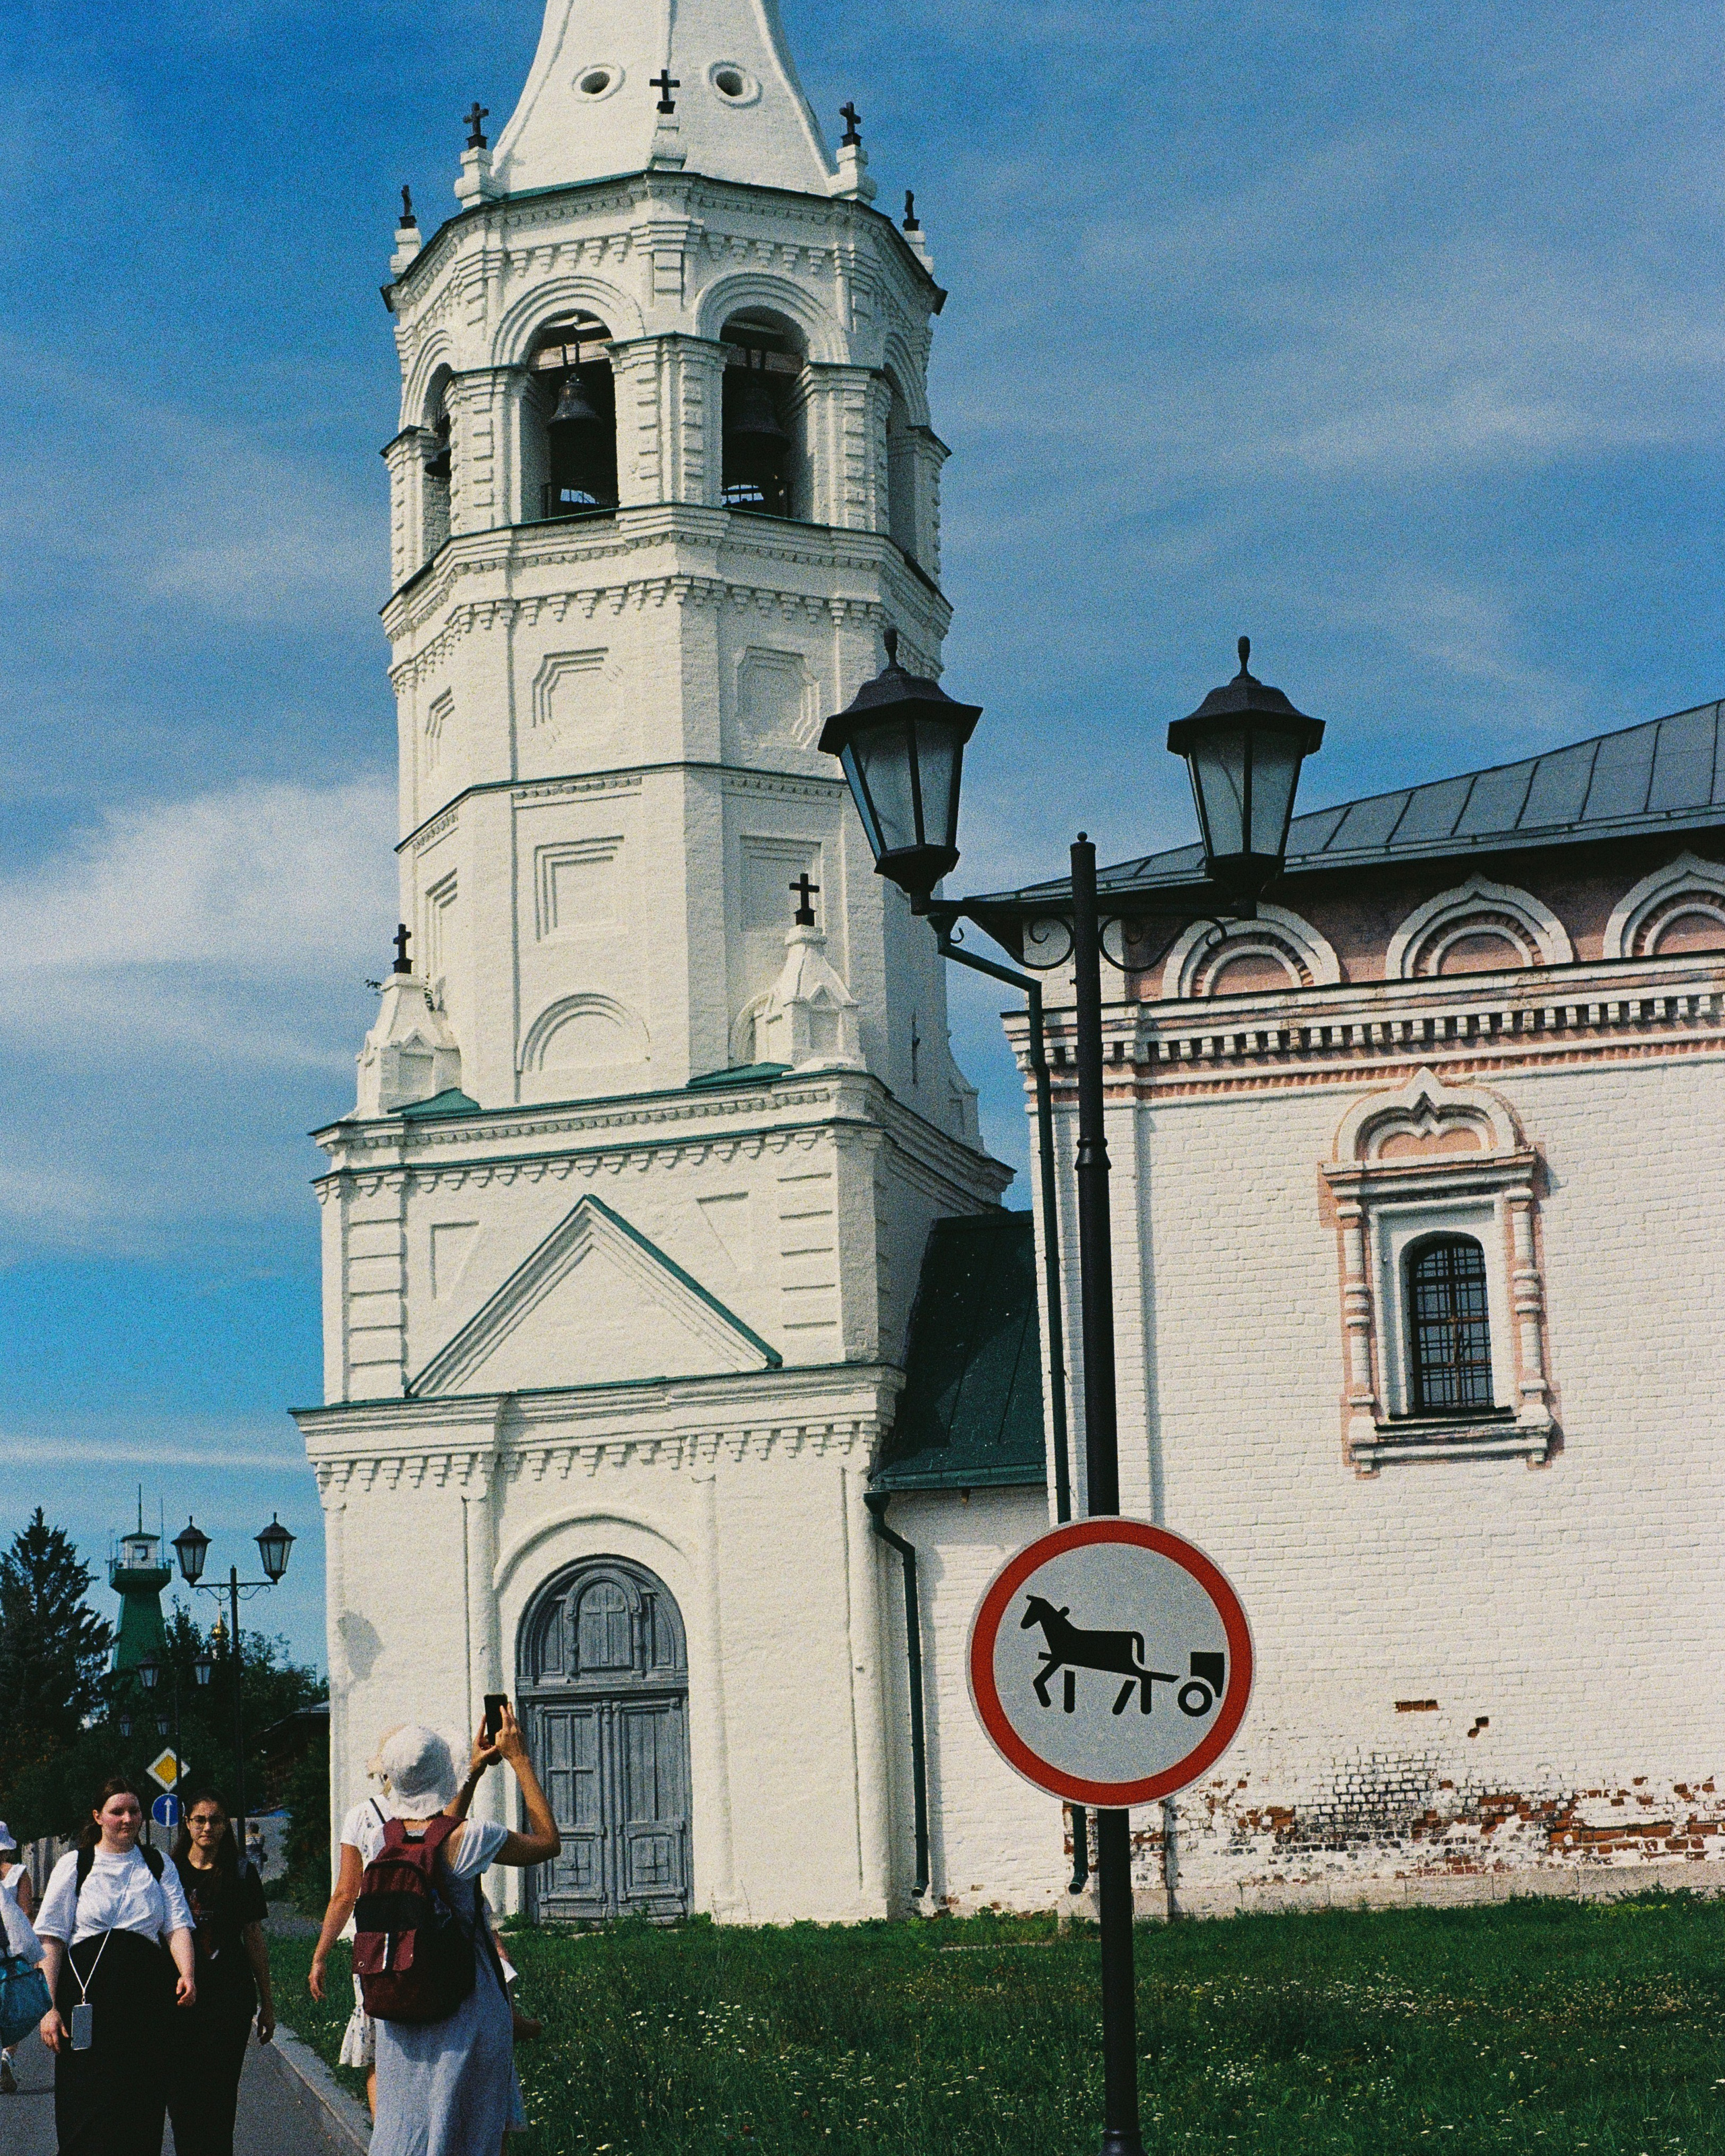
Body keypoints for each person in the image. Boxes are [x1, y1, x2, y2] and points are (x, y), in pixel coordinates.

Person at [366, 1710, 558, 2156]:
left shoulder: (382, 1839)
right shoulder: (475, 1837)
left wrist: (472, 1772)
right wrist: (520, 1759)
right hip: (464, 2004)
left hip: (401, 2006)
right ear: (441, 1774)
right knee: (469, 2133)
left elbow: (435, 1834)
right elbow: (548, 1841)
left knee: (410, 2130)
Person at [35, 1777, 197, 2155]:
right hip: (86, 2003)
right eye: (117, 1811)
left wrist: (187, 1974)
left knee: (140, 2107)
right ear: (98, 1817)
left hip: (145, 2005)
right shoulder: (75, 1865)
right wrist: (50, 2007)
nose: (128, 1819)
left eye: (134, 1811)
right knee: (85, 2110)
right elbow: (52, 1940)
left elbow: (176, 1926)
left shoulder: (158, 1865)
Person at [165, 1790, 276, 2155]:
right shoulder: (169, 1873)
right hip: (181, 1999)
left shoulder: (241, 1873)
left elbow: (254, 1940)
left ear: (226, 1824)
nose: (208, 1827)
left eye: (215, 1820)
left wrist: (267, 2004)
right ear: (187, 1823)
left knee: (221, 2092)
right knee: (182, 2093)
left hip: (229, 1998)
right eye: (200, 1819)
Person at [0, 1820, 37, 2096]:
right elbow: (26, 1913)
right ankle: (7, 2056)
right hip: (12, 1953)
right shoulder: (19, 1874)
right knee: (15, 2008)